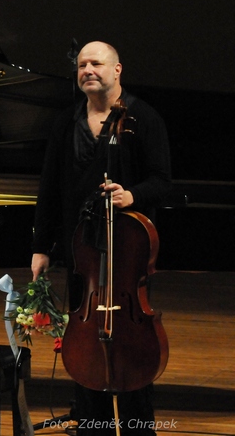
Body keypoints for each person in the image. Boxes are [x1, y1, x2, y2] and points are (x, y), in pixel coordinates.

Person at [30, 41, 171, 435]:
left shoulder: (143, 118)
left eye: (96, 63)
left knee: (130, 342)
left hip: (127, 254)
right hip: (83, 254)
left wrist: (133, 195)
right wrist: (41, 247)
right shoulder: (66, 122)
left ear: (117, 70)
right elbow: (49, 187)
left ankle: (139, 426)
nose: (87, 70)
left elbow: (163, 181)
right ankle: (91, 425)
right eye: (81, 65)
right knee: (85, 338)